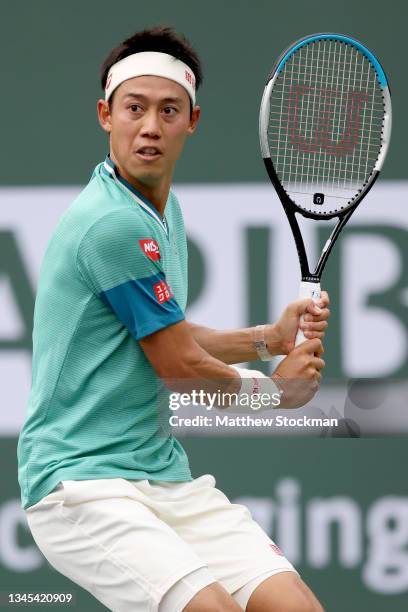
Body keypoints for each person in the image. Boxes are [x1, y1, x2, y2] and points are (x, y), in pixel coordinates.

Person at [18, 26, 330, 612]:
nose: (151, 127)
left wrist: (268, 338)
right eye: (135, 109)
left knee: (294, 607)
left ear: (193, 120)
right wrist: (277, 393)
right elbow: (180, 367)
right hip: (80, 485)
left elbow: (169, 337)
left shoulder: (162, 208)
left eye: (169, 110)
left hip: (163, 474)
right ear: (106, 115)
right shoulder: (111, 223)